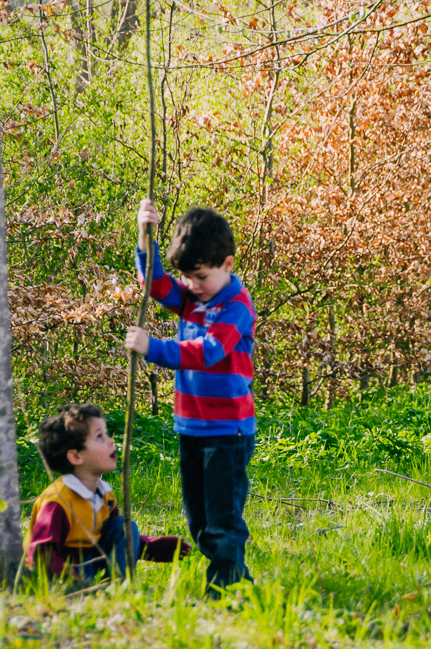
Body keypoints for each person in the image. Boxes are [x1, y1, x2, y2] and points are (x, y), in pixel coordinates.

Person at [124, 200, 257, 595]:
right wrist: (144, 235)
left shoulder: (236, 306)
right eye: (188, 278)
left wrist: (155, 348)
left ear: (227, 264)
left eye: (200, 276)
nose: (193, 286)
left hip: (227, 433)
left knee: (223, 520)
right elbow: (156, 284)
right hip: (192, 427)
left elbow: (207, 352)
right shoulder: (191, 295)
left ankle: (227, 592)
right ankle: (237, 581)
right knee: (198, 521)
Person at [26, 403, 190, 580]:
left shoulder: (104, 495)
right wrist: (75, 580)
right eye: (99, 437)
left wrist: (157, 547)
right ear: (76, 456)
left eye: (106, 434)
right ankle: (89, 592)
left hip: (88, 562)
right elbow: (41, 555)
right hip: (61, 575)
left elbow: (114, 539)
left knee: (124, 526)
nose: (111, 441)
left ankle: (118, 586)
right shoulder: (58, 502)